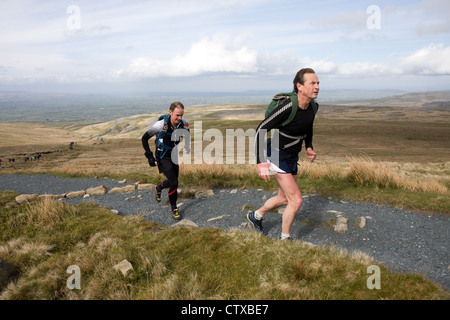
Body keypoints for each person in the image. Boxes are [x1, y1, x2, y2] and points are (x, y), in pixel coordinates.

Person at [248, 68, 320, 240]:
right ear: (299, 86)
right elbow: (260, 129)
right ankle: (285, 238)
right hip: (276, 155)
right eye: (312, 83)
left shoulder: (313, 107)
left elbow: (307, 127)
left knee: (284, 199)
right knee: (296, 200)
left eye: (318, 83)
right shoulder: (288, 106)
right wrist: (260, 162)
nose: (317, 87)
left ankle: (255, 216)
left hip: (292, 156)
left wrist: (308, 146)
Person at [141, 101, 190, 220]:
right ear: (170, 112)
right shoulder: (161, 125)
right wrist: (150, 156)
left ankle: (158, 188)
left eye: (181, 115)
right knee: (174, 183)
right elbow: (144, 138)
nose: (180, 118)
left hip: (173, 154)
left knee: (174, 180)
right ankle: (174, 208)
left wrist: (186, 146)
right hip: (162, 156)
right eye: (177, 115)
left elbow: (187, 133)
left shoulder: (183, 123)